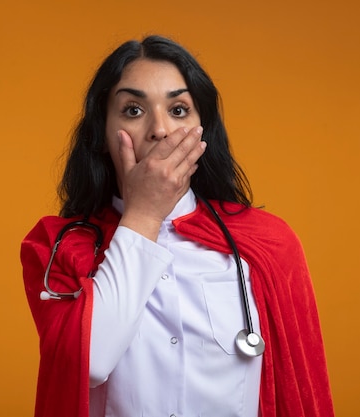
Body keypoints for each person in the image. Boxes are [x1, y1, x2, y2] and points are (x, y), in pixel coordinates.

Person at [21, 35, 334, 417]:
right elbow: (88, 364)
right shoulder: (57, 247)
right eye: (133, 110)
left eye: (179, 110)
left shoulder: (270, 244)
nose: (161, 129)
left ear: (204, 130)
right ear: (101, 134)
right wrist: (145, 214)